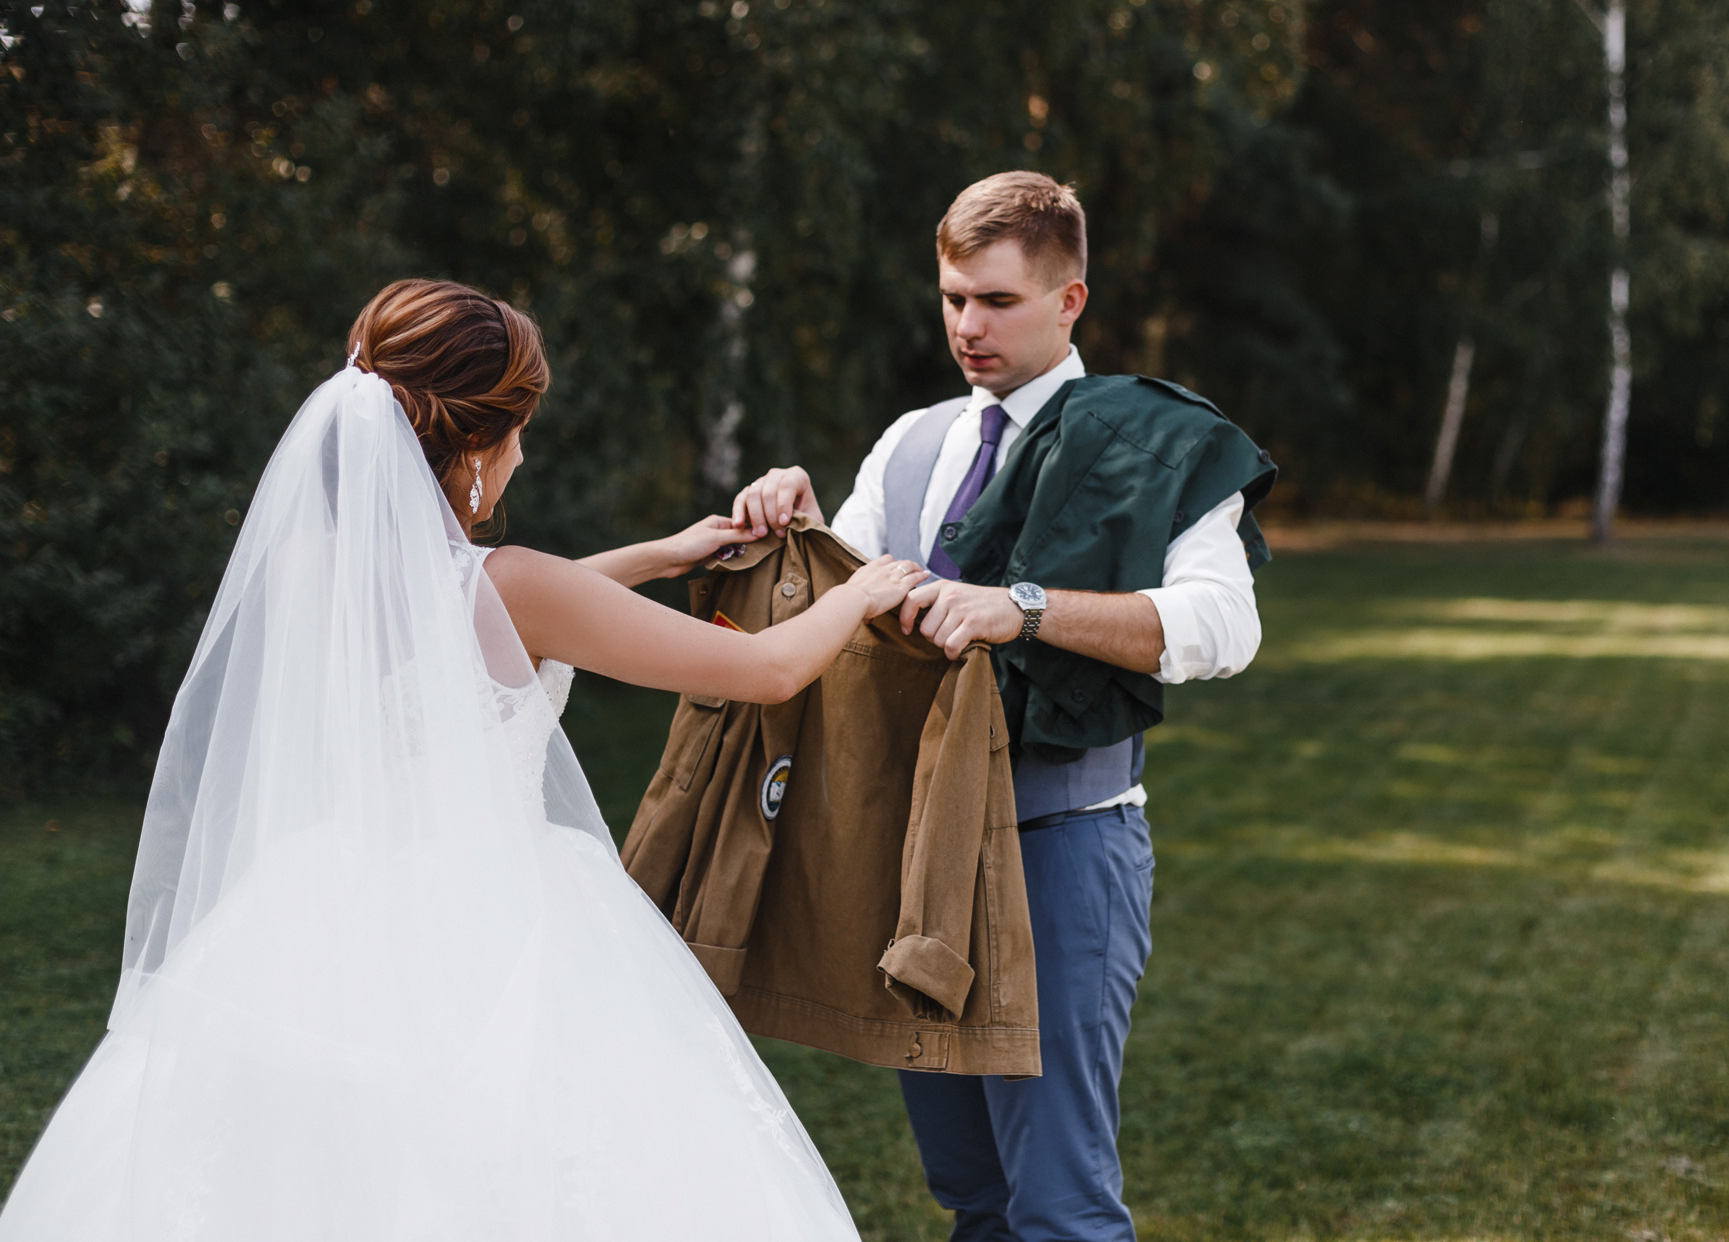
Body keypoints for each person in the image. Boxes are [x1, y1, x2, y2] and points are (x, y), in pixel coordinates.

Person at [0, 279, 926, 1241]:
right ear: (474, 447)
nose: (525, 450)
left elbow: (491, 618)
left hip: (327, 902)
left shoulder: (320, 566)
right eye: (520, 427)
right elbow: (766, 669)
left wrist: (661, 553)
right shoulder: (512, 587)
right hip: (496, 919)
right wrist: (860, 596)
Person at [731, 172, 1272, 1242]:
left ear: (1069, 300)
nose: (966, 326)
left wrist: (1022, 607)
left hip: (1060, 847)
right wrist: (791, 521)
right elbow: (845, 618)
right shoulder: (913, 442)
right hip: (915, 851)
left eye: (996, 301)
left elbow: (1222, 628)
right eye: (950, 299)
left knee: (1060, 1207)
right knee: (971, 1193)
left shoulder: (1153, 442)